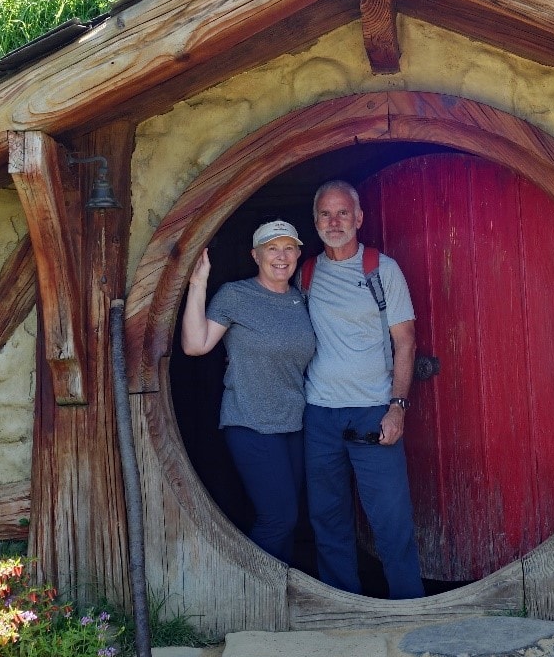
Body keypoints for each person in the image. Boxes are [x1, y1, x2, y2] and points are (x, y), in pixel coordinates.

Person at [301, 180, 424, 599]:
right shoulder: (305, 272)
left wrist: (397, 407)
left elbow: (405, 342)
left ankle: (409, 607)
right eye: (325, 213)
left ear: (359, 218)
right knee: (328, 517)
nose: (334, 222)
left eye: (342, 213)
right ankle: (343, 609)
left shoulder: (381, 270)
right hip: (319, 413)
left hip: (373, 410)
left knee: (390, 517)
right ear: (315, 220)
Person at [180, 220, 315, 565]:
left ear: (299, 253)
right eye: (272, 248)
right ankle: (257, 596)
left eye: (288, 248)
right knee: (278, 518)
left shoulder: (302, 299)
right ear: (256, 255)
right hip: (250, 422)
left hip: (294, 425)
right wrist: (197, 283)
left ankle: (279, 598)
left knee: (288, 518)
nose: (281, 256)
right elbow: (195, 345)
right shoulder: (236, 296)